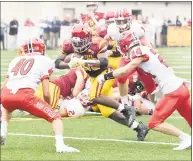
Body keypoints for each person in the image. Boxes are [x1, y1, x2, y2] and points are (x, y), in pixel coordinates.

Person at [98, 30, 192, 150]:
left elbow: (124, 71)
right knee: (190, 117)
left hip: (173, 91)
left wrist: (105, 76)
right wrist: (155, 101)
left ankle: (186, 138)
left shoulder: (137, 52)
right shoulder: (144, 49)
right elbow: (149, 86)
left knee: (154, 123)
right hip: (181, 87)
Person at [55, 23, 149, 141]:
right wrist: (68, 64)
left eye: (81, 41)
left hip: (106, 72)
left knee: (94, 96)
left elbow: (104, 62)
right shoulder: (70, 45)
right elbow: (57, 62)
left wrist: (83, 62)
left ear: (88, 38)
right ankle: (139, 127)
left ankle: (125, 108)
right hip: (93, 76)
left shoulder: (97, 43)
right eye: (76, 42)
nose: (78, 45)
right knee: (107, 111)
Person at [0, 38, 79, 153]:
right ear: (42, 48)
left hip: (6, 95)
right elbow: (46, 92)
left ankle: (2, 131)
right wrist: (49, 107)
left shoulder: (16, 59)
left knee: (7, 107)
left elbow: (4, 86)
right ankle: (60, 146)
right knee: (56, 118)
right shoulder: (45, 60)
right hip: (25, 96)